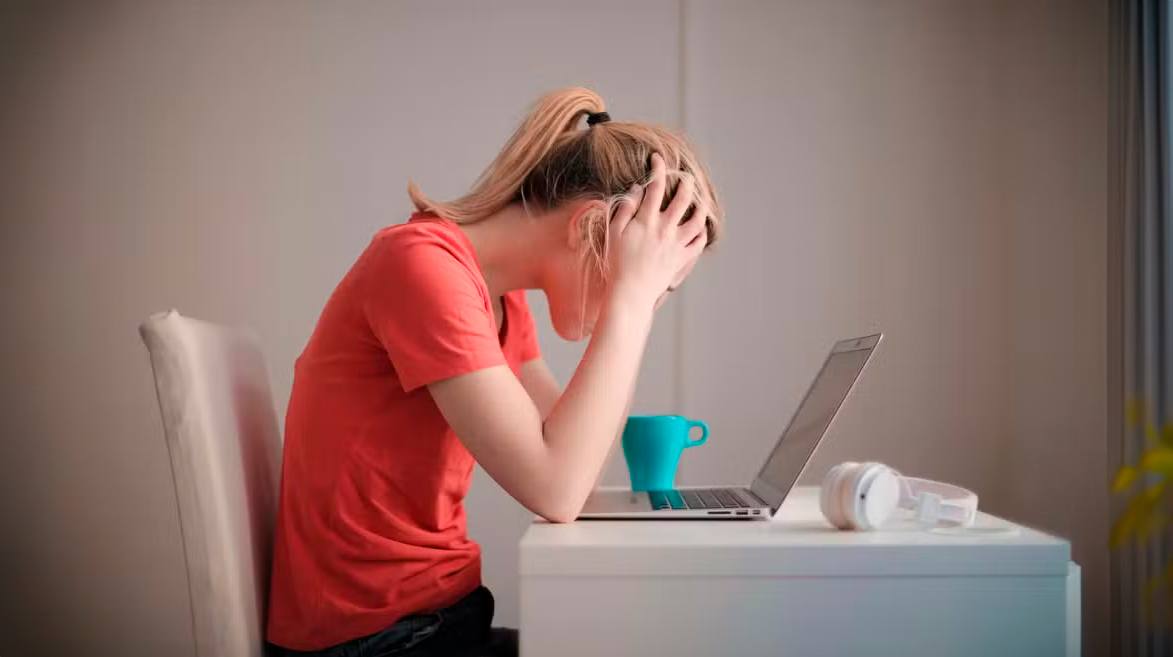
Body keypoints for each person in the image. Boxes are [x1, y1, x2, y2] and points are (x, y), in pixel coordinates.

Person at [265, 87, 725, 657]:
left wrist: (635, 302)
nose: (646, 298)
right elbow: (556, 489)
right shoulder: (421, 268)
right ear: (587, 227)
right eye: (651, 278)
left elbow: (577, 470)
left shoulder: (499, 299)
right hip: (375, 640)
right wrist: (629, 305)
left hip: (437, 620)